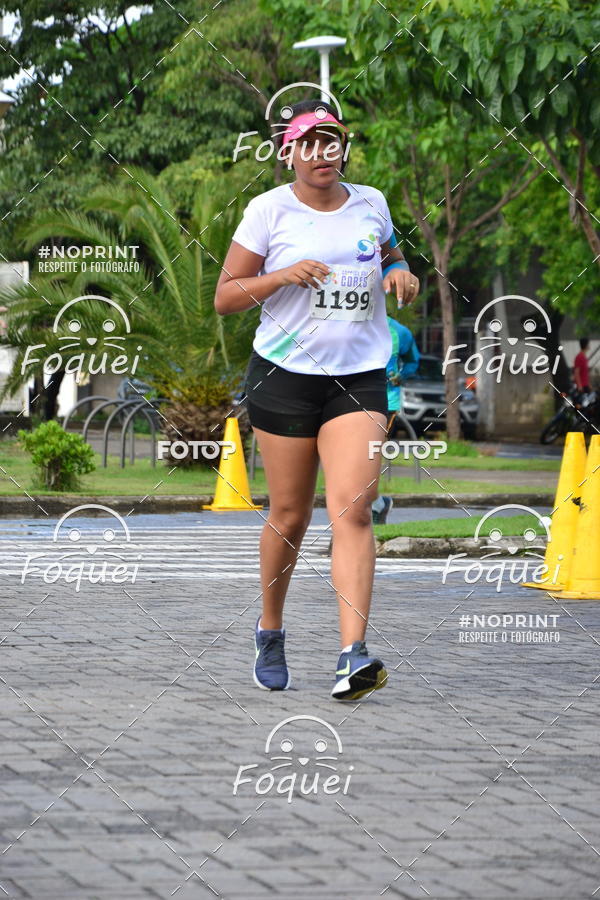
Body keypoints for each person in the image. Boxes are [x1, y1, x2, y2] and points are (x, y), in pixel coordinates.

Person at [214, 99, 420, 701]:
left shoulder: (372, 202)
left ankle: (351, 656)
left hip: (358, 377)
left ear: (343, 148)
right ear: (289, 151)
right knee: (290, 516)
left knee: (354, 508)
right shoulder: (267, 211)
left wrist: (400, 271)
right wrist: (283, 276)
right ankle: (270, 630)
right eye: (309, 142)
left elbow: (389, 252)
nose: (321, 153)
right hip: (283, 373)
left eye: (331, 141)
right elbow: (226, 297)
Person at [372, 318, 420, 525]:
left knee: (367, 455)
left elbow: (412, 360)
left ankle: (373, 506)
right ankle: (377, 503)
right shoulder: (347, 321)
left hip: (386, 402)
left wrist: (401, 375)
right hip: (347, 399)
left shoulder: (399, 331)